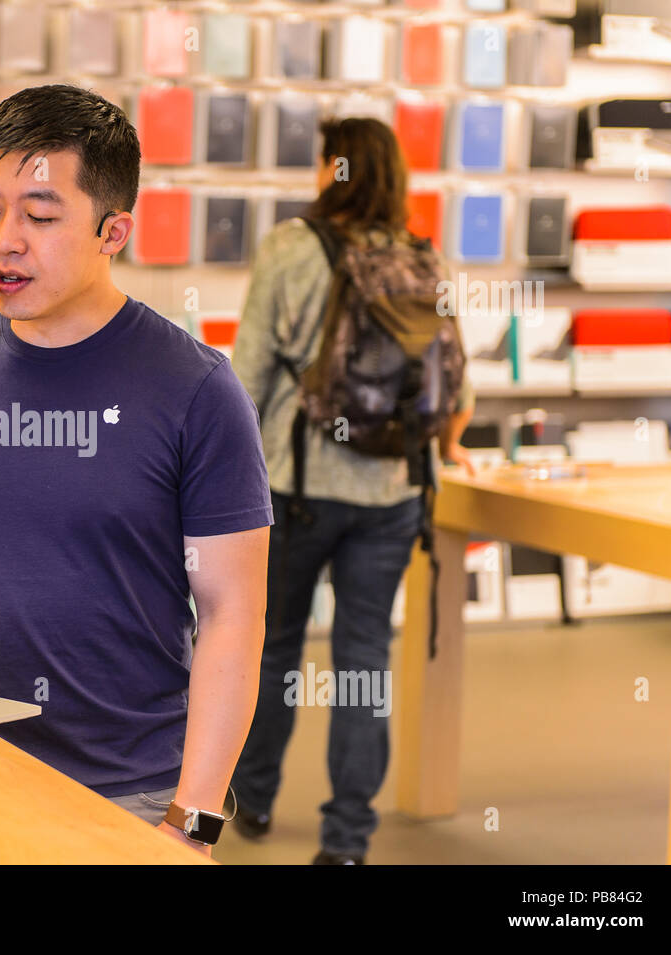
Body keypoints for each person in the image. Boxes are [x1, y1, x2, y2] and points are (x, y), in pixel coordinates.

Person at [0, 86, 272, 853]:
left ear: (115, 231)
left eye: (39, 215)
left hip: (131, 795)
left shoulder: (197, 390)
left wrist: (194, 819)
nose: (3, 241)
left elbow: (233, 617)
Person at [228, 117, 476, 865]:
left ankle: (256, 797)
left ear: (333, 169)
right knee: (365, 661)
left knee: (272, 650)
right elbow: (455, 384)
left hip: (295, 485)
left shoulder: (291, 248)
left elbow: (245, 378)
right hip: (393, 492)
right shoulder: (420, 256)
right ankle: (347, 839)